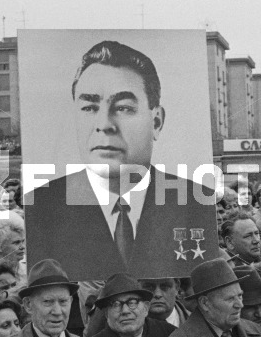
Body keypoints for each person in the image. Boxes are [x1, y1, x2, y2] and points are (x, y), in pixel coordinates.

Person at [27, 40, 219, 280]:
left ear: (156, 122)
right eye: (88, 107)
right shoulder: (43, 208)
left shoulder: (195, 202)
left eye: (124, 108)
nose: (104, 125)